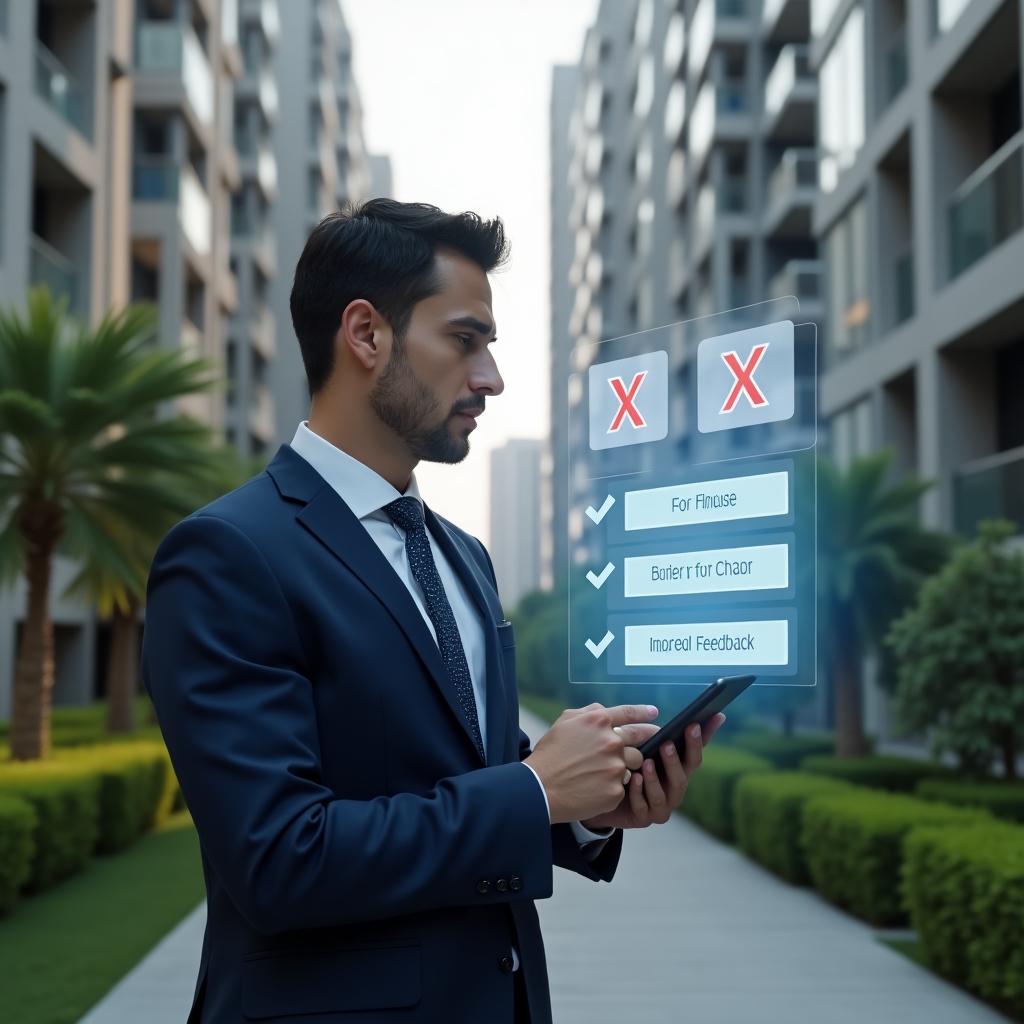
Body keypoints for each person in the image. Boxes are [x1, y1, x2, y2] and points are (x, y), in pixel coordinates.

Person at [143, 199, 724, 1024]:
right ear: (367, 334)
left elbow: (463, 778)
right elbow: (279, 859)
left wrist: (588, 812)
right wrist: (530, 792)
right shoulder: (227, 555)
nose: (490, 377)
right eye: (465, 340)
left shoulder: (462, 555)